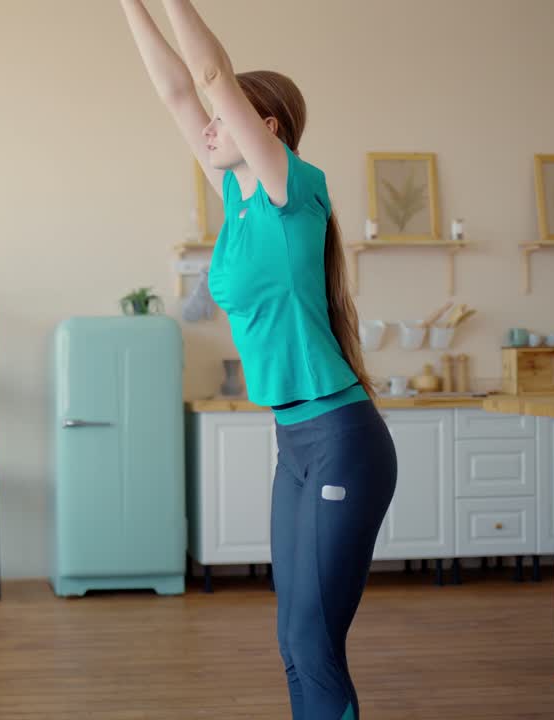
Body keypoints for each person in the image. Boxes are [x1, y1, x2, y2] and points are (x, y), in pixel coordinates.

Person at [119, 3, 398, 719]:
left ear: (264, 127)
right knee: (291, 637)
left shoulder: (291, 188)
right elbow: (179, 90)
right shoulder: (240, 200)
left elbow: (207, 75)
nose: (206, 127)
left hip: (342, 440)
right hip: (295, 444)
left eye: (225, 117)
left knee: (314, 637)